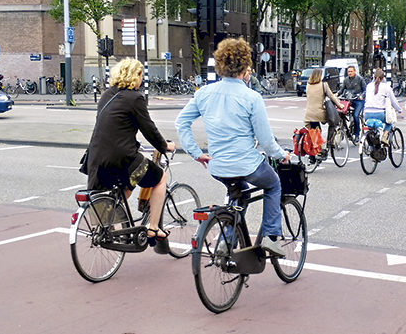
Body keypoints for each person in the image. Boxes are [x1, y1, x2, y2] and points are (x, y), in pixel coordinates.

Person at [175, 38, 291, 257]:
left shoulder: (204, 93)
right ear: (245, 68)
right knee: (274, 184)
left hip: (218, 167)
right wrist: (281, 154)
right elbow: (265, 141)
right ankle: (271, 237)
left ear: (220, 65)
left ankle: (226, 241)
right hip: (248, 165)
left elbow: (181, 122)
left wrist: (196, 153)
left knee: (239, 195)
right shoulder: (252, 97)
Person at [86, 58, 175, 244]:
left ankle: (108, 225)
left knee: (125, 187)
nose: (142, 79)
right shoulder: (135, 98)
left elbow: (114, 128)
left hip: (96, 157)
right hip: (120, 158)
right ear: (136, 76)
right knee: (160, 179)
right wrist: (164, 146)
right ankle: (153, 228)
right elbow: (149, 129)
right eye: (141, 75)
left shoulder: (107, 95)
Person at [305, 68, 343, 156]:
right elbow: (332, 96)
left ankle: (314, 154)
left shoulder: (308, 85)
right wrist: (340, 105)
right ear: (320, 76)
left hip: (308, 114)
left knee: (315, 132)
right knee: (332, 124)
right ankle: (328, 144)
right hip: (319, 113)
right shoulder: (323, 85)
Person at [364, 68, 402, 142]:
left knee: (370, 129)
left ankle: (371, 147)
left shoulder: (368, 86)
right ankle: (384, 136)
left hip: (367, 114)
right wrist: (399, 110)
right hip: (380, 114)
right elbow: (393, 101)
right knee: (390, 122)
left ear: (373, 77)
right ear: (383, 78)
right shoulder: (386, 87)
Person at [338, 65, 365, 143]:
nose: (349, 73)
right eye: (348, 71)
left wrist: (362, 96)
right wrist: (337, 94)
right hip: (349, 100)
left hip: (358, 101)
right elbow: (342, 89)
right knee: (341, 113)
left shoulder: (360, 79)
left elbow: (365, 90)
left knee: (356, 115)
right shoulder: (346, 80)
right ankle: (343, 128)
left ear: (354, 71)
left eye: (351, 71)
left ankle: (357, 134)